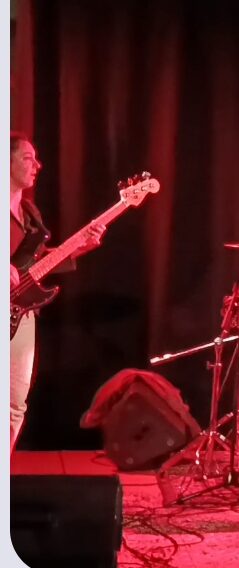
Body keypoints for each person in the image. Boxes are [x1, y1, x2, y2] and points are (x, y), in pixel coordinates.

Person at [10, 132, 105, 450]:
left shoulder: (30, 213)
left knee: (14, 404)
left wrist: (81, 246)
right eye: (28, 158)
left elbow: (38, 263)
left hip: (20, 314)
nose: (37, 165)